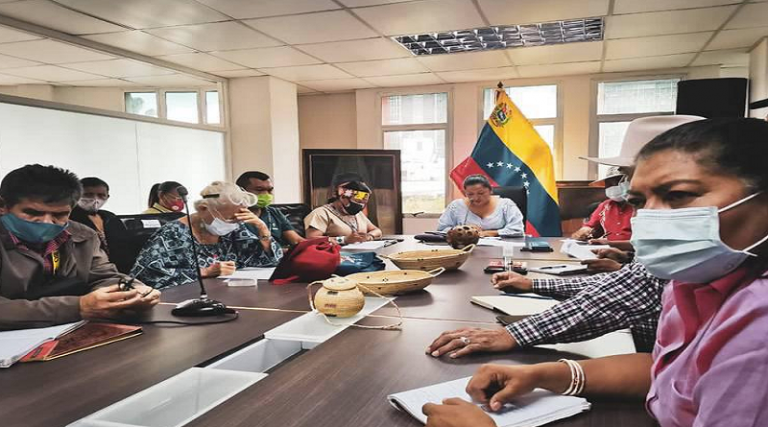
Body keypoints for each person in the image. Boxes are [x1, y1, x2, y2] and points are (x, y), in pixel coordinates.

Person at [424, 118, 768, 427]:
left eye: (678, 195)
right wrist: (549, 374)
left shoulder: (757, 325)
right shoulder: (690, 284)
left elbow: (628, 292)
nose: (650, 217)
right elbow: (671, 372)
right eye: (638, 201)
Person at [0, 165, 160, 330]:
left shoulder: (83, 235)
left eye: (59, 214)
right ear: (3, 206)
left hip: (66, 329)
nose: (47, 222)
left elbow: (104, 276)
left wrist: (133, 291)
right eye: (33, 213)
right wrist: (77, 307)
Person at [131, 181, 282, 289]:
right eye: (229, 218)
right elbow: (145, 277)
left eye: (239, 218)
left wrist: (262, 229)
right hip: (182, 301)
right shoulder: (172, 234)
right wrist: (204, 272)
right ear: (203, 209)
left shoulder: (234, 230)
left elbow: (270, 261)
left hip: (227, 294)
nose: (235, 224)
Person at [437, 174, 524, 237]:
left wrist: (491, 233)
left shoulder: (506, 205)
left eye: (481, 193)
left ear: (490, 191)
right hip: (464, 247)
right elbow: (441, 229)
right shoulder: (456, 206)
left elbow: (517, 229)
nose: (476, 198)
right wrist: (461, 229)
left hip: (501, 249)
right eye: (470, 194)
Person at [236, 171, 304, 247]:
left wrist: (312, 246)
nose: (266, 194)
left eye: (269, 190)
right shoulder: (231, 215)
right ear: (241, 191)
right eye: (259, 190)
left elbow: (296, 240)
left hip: (279, 253)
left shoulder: (273, 212)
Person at [304, 179, 382, 245]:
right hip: (336, 255)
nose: (360, 206)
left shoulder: (358, 214)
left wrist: (370, 236)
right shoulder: (321, 213)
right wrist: (343, 240)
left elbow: (377, 230)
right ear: (343, 197)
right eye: (357, 201)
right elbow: (311, 240)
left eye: (363, 203)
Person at [571, 166, 633, 242]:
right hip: (607, 248)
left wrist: (609, 243)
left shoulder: (639, 206)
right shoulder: (605, 206)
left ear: (627, 182)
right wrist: (583, 232)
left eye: (615, 183)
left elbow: (641, 241)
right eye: (608, 184)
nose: (611, 187)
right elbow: (590, 226)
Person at [69, 177, 126, 256]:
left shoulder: (110, 217)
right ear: (76, 195)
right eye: (88, 194)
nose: (95, 199)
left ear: (107, 197)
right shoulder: (68, 218)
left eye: (101, 195)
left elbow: (123, 245)